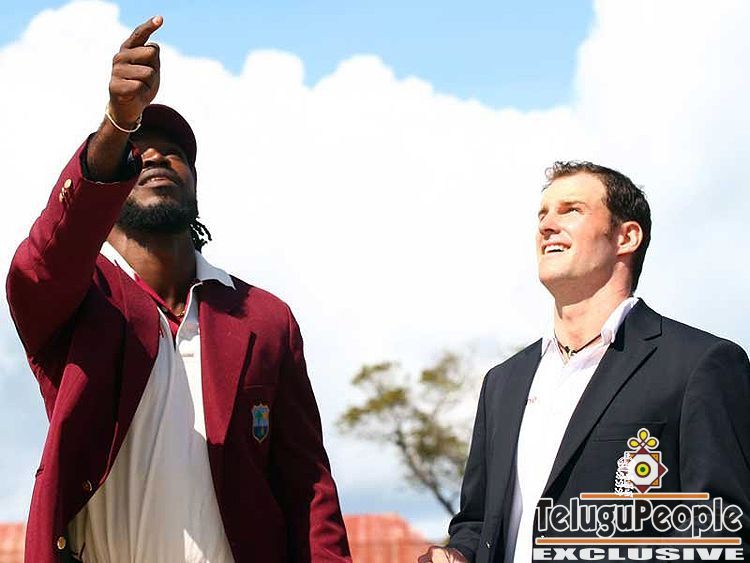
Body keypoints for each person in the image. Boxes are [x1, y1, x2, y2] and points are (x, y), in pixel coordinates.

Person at [6, 16, 350, 563]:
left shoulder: (265, 318)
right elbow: (43, 264)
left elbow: (308, 489)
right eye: (135, 151)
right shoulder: (78, 296)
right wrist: (115, 124)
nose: (155, 157)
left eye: (173, 153)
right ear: (106, 187)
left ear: (194, 182)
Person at [419, 162, 750, 562]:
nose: (547, 226)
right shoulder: (503, 383)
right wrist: (457, 555)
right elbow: (476, 523)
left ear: (626, 237)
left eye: (571, 210)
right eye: (542, 215)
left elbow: (722, 536)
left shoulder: (701, 364)